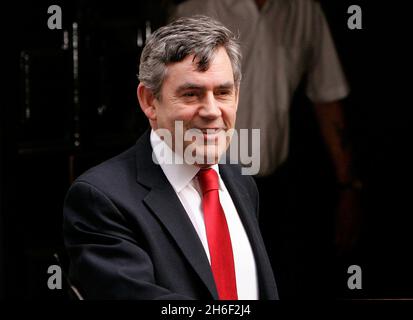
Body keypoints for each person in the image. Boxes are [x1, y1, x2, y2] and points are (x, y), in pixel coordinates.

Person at [63, 15, 278, 300]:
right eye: (191, 94)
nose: (212, 110)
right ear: (149, 101)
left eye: (223, 92)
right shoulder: (101, 199)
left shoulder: (240, 181)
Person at [172, 0, 364, 297]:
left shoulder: (305, 12)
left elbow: (328, 98)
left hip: (275, 191)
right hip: (202, 186)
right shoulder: (195, 9)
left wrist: (349, 186)